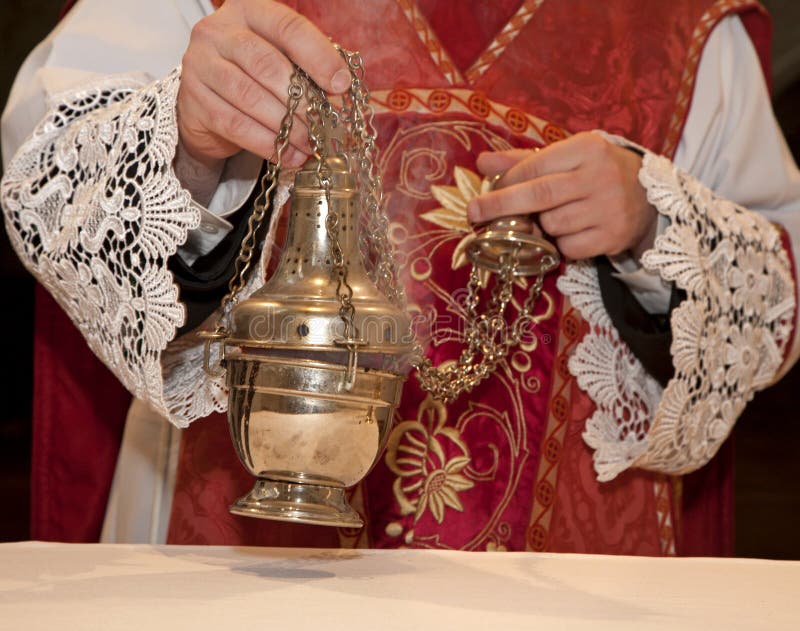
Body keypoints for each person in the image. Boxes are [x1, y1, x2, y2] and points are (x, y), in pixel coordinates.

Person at [2, 0, 799, 553]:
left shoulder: (687, 29)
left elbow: (778, 288)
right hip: (247, 559)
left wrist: (654, 220)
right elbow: (43, 177)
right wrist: (183, 134)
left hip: (560, 578)